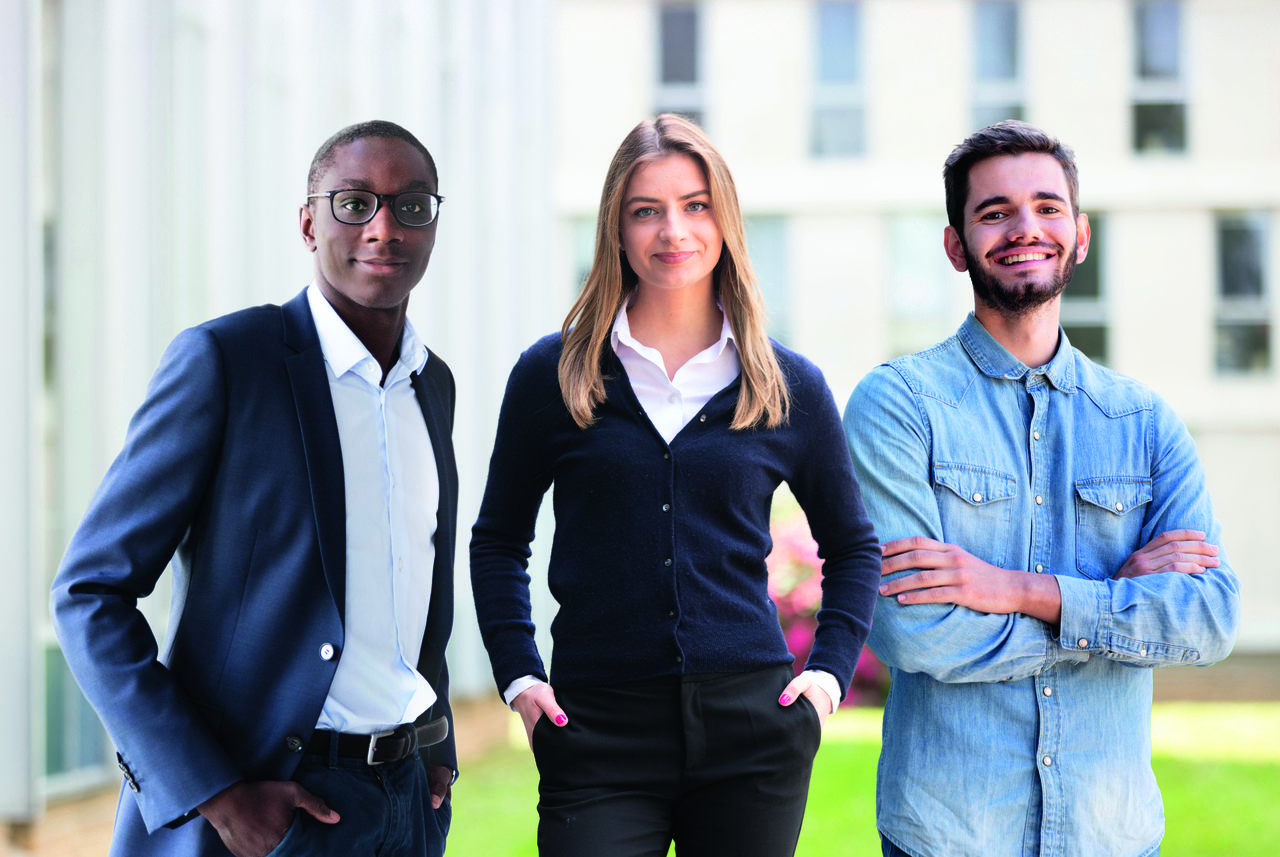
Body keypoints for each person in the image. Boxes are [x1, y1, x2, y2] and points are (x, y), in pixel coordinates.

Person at [470, 113, 881, 857]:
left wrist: (823, 682)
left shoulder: (785, 383)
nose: (673, 231)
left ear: (723, 219)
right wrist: (520, 679)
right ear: (616, 229)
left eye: (695, 205)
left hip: (752, 732)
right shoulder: (553, 375)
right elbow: (499, 540)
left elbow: (853, 546)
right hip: (595, 732)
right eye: (645, 210)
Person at [50, 120, 459, 857]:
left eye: (412, 205)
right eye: (355, 202)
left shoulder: (432, 385)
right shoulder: (229, 361)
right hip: (269, 807)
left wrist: (437, 749)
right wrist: (214, 792)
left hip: (405, 806)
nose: (384, 228)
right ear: (309, 221)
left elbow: (414, 583)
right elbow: (88, 593)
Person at [844, 120, 1242, 857]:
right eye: (995, 212)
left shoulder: (1146, 422)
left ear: (1080, 234)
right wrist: (1114, 603)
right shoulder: (899, 404)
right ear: (956, 245)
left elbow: (1210, 618)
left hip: (1111, 835)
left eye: (1048, 207)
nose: (1025, 228)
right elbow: (911, 631)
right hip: (950, 835)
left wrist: (1024, 590)